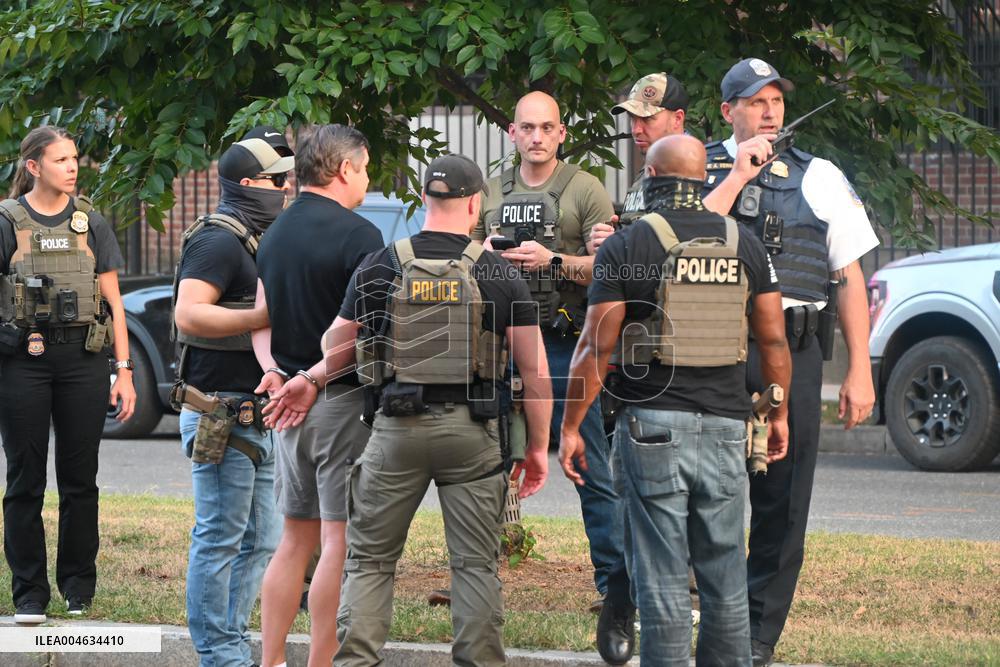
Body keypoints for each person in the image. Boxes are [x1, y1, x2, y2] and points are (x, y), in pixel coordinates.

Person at [266, 153, 552, 666]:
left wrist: (308, 377)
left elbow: (339, 345)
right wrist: (536, 448)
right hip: (473, 435)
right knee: (473, 566)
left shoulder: (379, 265)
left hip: (394, 431)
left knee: (371, 562)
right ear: (474, 202)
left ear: (424, 200)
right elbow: (535, 375)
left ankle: (354, 662)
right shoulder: (498, 274)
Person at [561, 134, 792, 666]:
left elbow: (596, 346)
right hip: (728, 427)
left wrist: (572, 426)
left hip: (651, 428)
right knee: (725, 573)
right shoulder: (745, 243)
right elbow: (774, 340)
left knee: (662, 578)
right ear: (702, 179)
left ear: (649, 175)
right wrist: (778, 416)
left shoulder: (628, 243)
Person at [701, 57, 878, 666]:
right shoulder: (696, 168)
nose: (770, 110)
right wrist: (737, 178)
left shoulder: (821, 175)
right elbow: (678, 240)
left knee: (782, 503)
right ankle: (712, 624)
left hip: (797, 354)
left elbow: (849, 277)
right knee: (710, 496)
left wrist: (860, 370)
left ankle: (755, 640)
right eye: (755, 101)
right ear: (729, 111)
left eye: (776, 99)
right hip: (715, 352)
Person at [473, 91, 618, 611]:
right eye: (526, 128)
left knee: (588, 460)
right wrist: (486, 258)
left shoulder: (585, 190)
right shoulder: (490, 193)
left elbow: (611, 271)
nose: (536, 137)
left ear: (560, 134)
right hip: (501, 341)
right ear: (511, 133)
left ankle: (614, 586)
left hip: (564, 342)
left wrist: (554, 259)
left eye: (546, 128)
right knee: (481, 459)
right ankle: (477, 579)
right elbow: (465, 265)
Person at [252, 124, 384, 667]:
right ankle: (321, 662)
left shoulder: (274, 232)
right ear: (345, 168)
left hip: (286, 406)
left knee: (292, 541)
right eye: (367, 168)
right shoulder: (361, 236)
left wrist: (276, 373)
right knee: (337, 543)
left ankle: (271, 659)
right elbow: (360, 336)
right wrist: (314, 378)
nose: (366, 180)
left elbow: (261, 314)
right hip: (338, 403)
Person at [0, 125, 136, 624]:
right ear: (33, 167)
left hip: (83, 360)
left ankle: (78, 588)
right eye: (61, 160)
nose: (72, 167)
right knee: (24, 479)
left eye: (75, 158)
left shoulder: (91, 223)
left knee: (80, 480)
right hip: (22, 364)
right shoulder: (6, 221)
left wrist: (124, 372)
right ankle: (29, 595)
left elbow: (116, 306)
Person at [172, 127, 293, 666]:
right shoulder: (219, 238)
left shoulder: (264, 236)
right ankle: (220, 654)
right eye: (276, 180)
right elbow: (189, 311)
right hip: (220, 411)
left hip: (256, 412)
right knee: (221, 538)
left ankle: (232, 643)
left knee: (261, 540)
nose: (286, 189)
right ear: (248, 184)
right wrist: (264, 317)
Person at [591, 72, 689, 251]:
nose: (636, 129)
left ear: (677, 119)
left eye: (647, 119)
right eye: (633, 119)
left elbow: (684, 243)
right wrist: (614, 235)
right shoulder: (649, 168)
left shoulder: (694, 172)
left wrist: (620, 243)